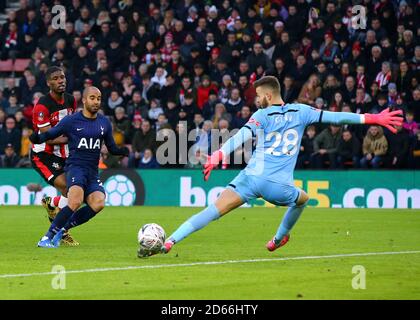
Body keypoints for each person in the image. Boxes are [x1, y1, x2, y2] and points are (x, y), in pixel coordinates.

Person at [141, 76, 402, 257]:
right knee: (302, 199)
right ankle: (278, 238)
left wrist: (216, 156)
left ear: (268, 95)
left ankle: (171, 240)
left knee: (211, 211)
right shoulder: (303, 111)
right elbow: (338, 116)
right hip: (276, 185)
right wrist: (373, 118)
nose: (256, 100)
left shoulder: (260, 116)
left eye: (257, 96)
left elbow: (240, 137)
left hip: (249, 178)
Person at [29, 86, 129, 248]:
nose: (96, 102)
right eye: (92, 98)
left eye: (98, 98)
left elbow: (111, 147)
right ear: (84, 100)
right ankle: (46, 238)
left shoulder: (104, 122)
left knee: (98, 203)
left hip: (92, 172)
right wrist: (38, 138)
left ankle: (63, 230)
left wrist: (121, 151)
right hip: (75, 168)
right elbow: (51, 134)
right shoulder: (72, 120)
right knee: (74, 201)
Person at [30, 66, 79, 246]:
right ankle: (62, 232)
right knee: (69, 189)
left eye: (63, 77)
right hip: (43, 155)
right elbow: (47, 138)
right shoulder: (42, 106)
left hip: (64, 154)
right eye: (56, 78)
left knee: (76, 192)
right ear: (49, 83)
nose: (61, 81)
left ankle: (53, 203)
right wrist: (73, 138)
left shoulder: (71, 100)